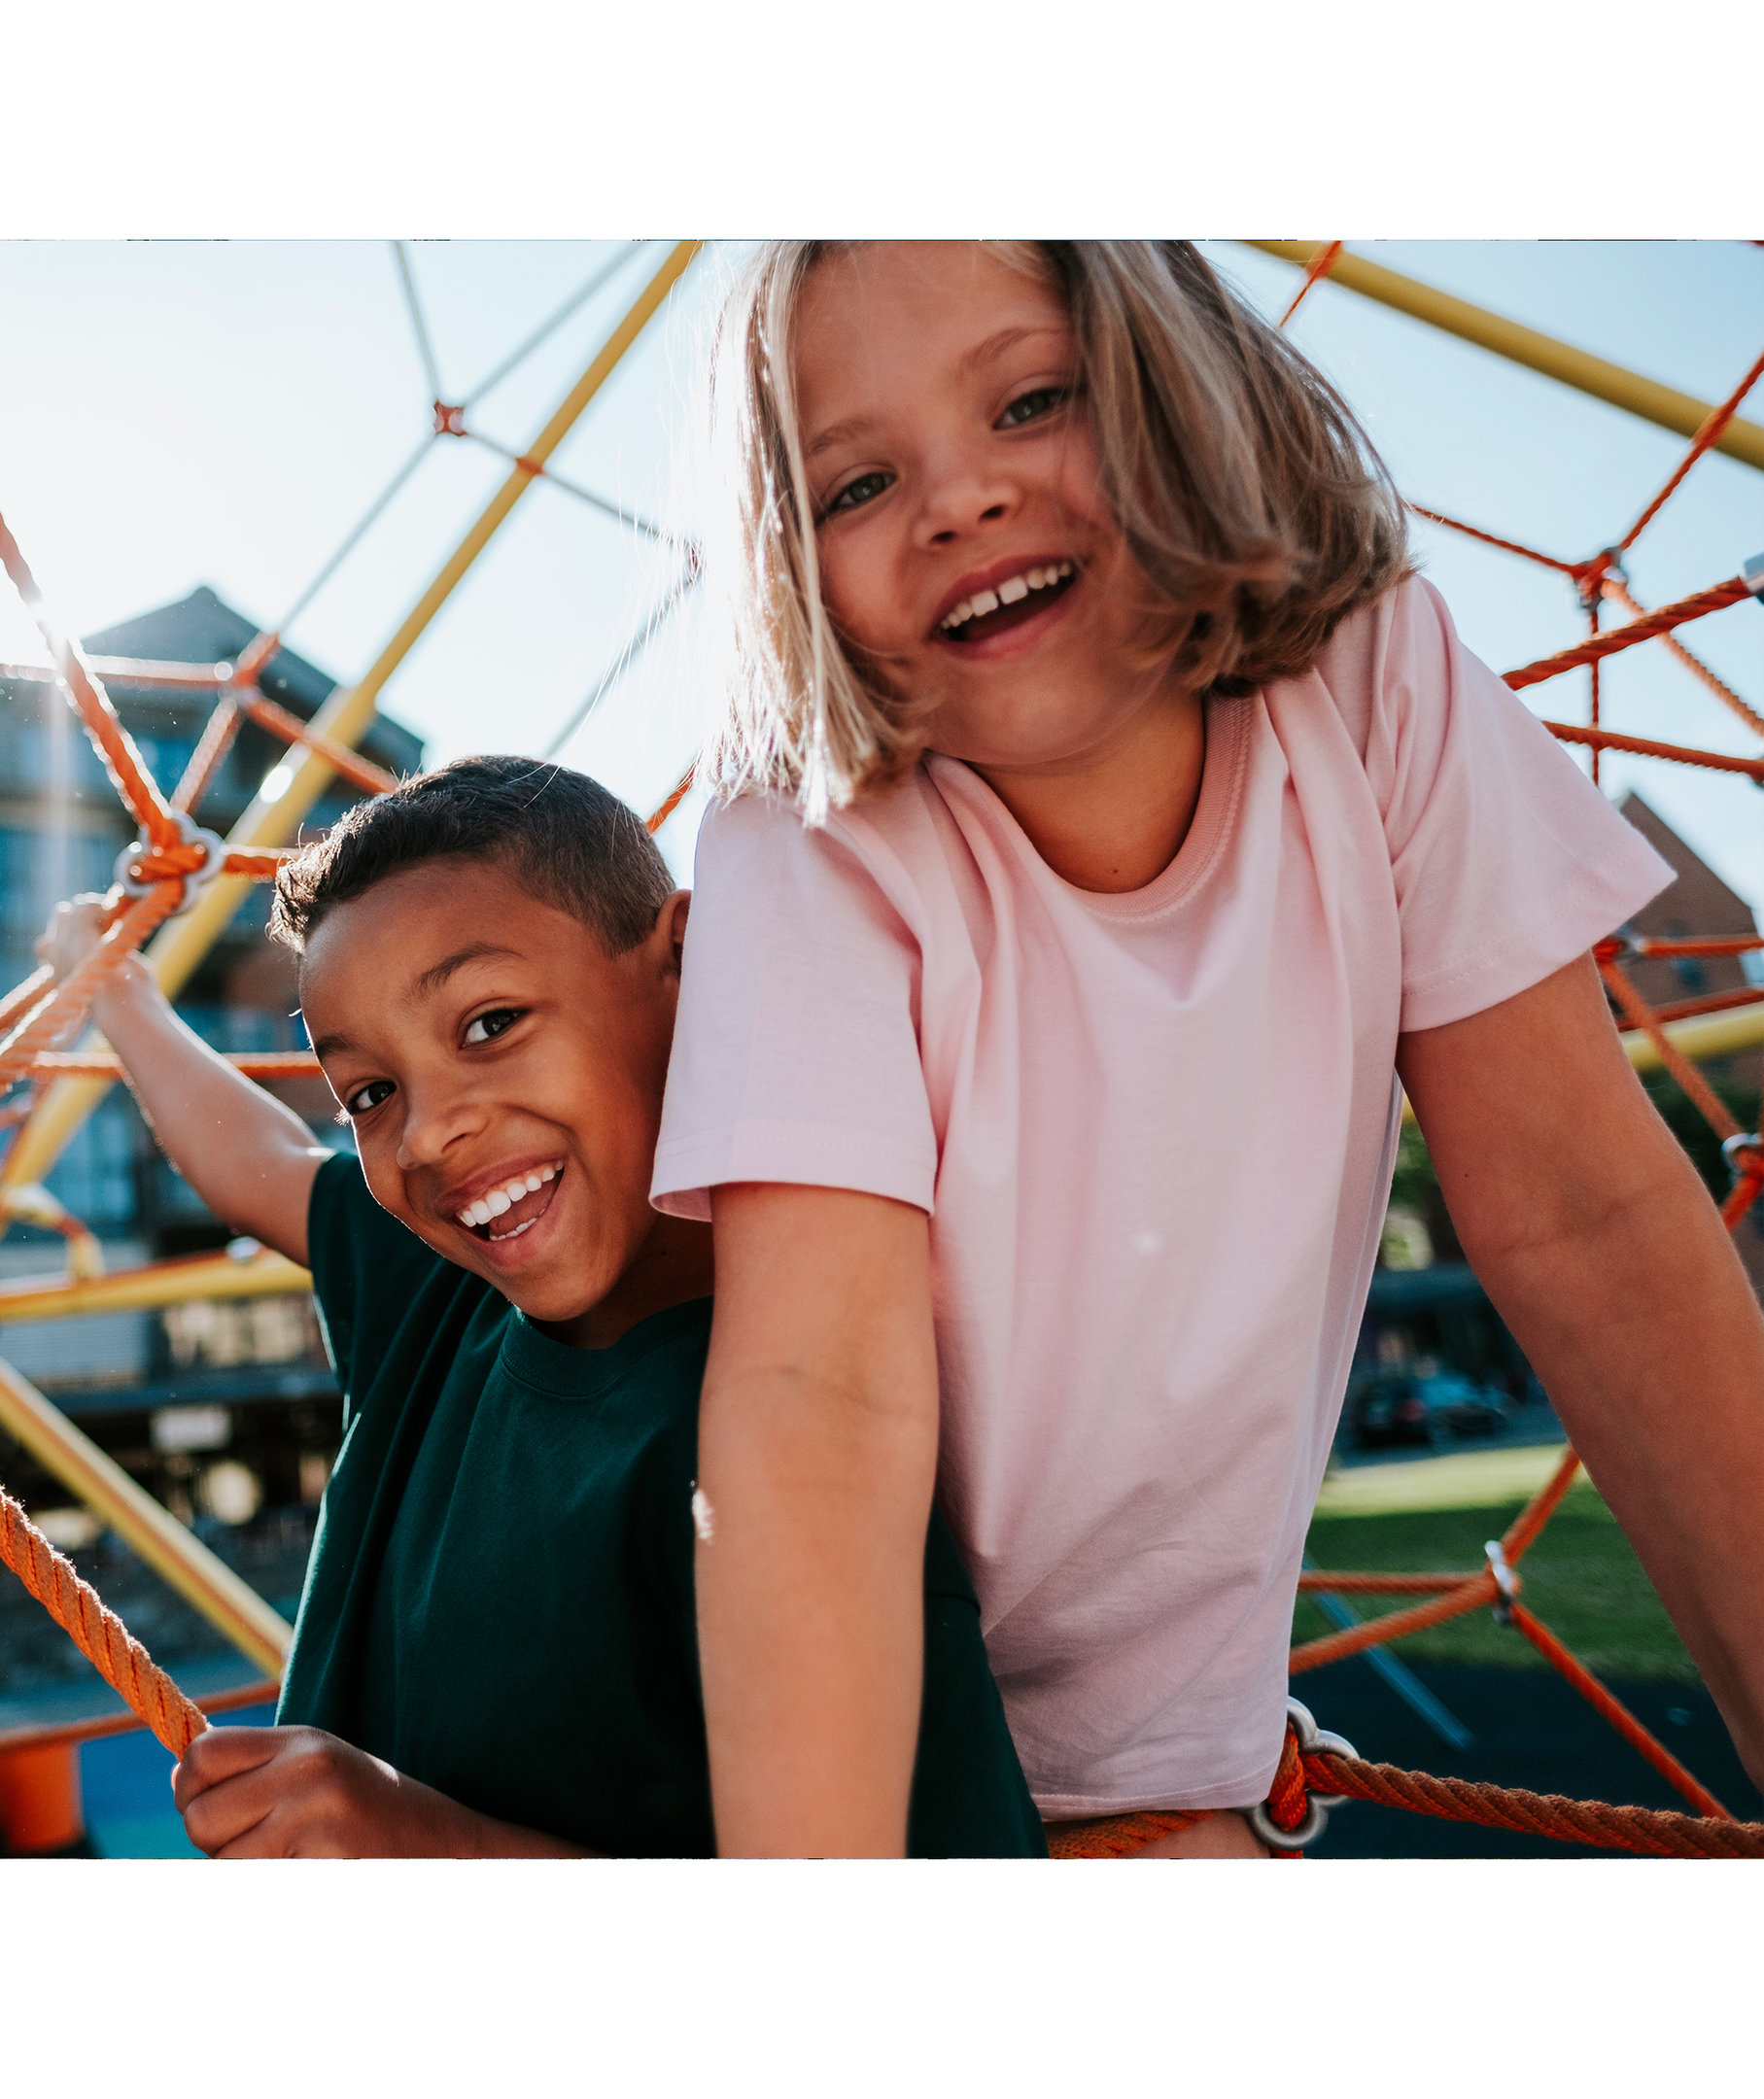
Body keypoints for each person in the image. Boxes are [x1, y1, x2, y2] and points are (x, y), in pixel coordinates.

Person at [651, 240, 1764, 1858]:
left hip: (1162, 1760)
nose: (957, 500)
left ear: (1167, 380)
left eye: (1032, 401)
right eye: (855, 483)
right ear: (787, 565)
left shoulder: (1375, 683)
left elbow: (1588, 1217)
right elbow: (819, 1400)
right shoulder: (813, 837)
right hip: (829, 1747)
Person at [36, 756, 1045, 1858]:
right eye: (369, 1092)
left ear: (691, 967)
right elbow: (261, 1155)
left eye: (488, 1024)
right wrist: (119, 993)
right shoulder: (439, 1294)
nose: (425, 1134)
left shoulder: (799, 1441)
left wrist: (423, 1846)